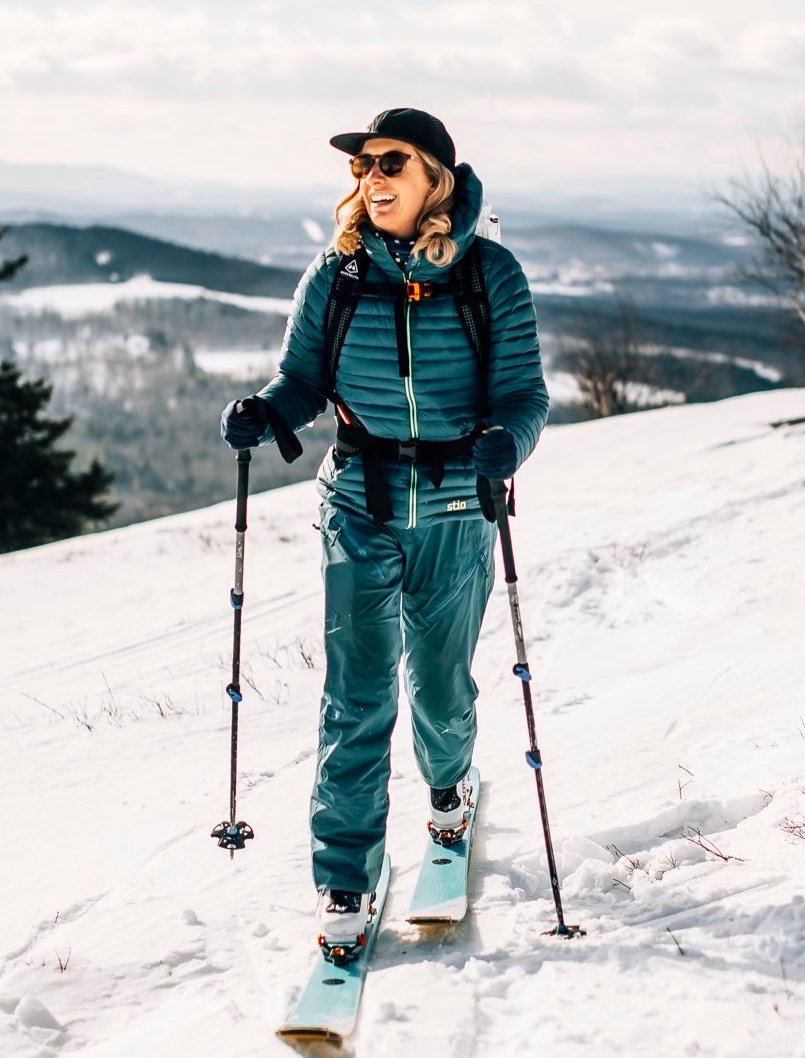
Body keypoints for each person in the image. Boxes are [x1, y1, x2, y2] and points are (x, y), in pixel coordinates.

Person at [219, 107, 548, 947]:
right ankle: (345, 882)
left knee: (440, 692)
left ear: (435, 174)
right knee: (354, 701)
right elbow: (302, 380)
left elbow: (524, 395)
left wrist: (506, 442)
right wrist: (267, 410)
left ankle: (450, 797)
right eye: (363, 165)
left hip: (454, 510)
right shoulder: (334, 276)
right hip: (358, 504)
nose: (373, 178)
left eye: (390, 162)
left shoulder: (490, 276)